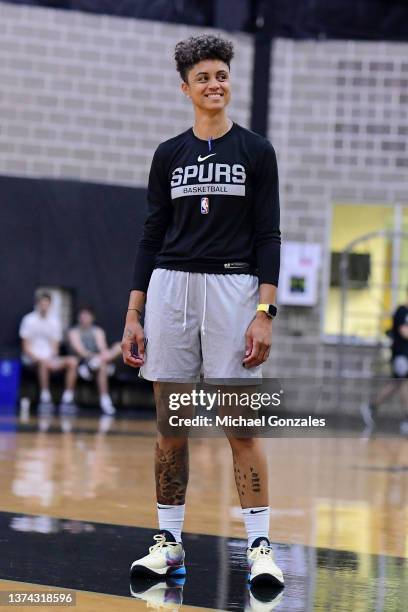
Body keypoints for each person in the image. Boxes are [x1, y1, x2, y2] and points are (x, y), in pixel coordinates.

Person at [122, 34, 283, 588]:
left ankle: (260, 546)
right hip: (171, 288)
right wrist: (134, 312)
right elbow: (150, 234)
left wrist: (265, 311)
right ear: (186, 88)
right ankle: (169, 544)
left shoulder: (257, 152)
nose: (216, 84)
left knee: (242, 428)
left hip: (233, 288)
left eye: (222, 75)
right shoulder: (169, 153)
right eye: (204, 78)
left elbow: (269, 235)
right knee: (171, 429)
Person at [19, 292, 78, 408]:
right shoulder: (29, 320)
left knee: (73, 361)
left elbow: (55, 347)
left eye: (46, 304)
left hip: (50, 358)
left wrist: (51, 359)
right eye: (42, 304)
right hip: (31, 359)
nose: (44, 307)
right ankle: (45, 398)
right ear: (37, 304)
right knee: (42, 363)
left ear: (50, 305)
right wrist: (41, 359)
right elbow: (25, 348)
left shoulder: (54, 321)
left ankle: (68, 399)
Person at [361, 293, 408, 433]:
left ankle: (371, 406)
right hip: (401, 356)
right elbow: (404, 331)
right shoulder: (401, 311)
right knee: (404, 384)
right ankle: (407, 419)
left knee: (395, 384)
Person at [68, 306, 121, 416]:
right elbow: (80, 351)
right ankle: (105, 401)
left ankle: (105, 401)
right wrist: (94, 357)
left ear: (92, 318)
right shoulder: (74, 332)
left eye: (87, 316)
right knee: (101, 365)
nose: (84, 318)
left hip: (99, 363)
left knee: (119, 346)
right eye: (82, 316)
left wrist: (101, 357)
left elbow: (103, 349)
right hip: (83, 364)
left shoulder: (97, 331)